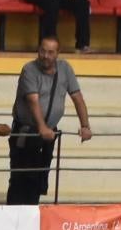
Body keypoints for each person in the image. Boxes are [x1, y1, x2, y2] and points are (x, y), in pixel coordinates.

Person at [8, 32, 86, 207]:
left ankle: (32, 214)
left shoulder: (65, 68)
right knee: (21, 180)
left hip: (48, 135)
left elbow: (77, 97)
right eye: (43, 51)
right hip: (27, 132)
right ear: (38, 51)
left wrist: (85, 125)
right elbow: (32, 101)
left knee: (40, 181)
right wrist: (42, 127)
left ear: (58, 53)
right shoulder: (29, 69)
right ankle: (14, 217)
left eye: (51, 52)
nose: (46, 56)